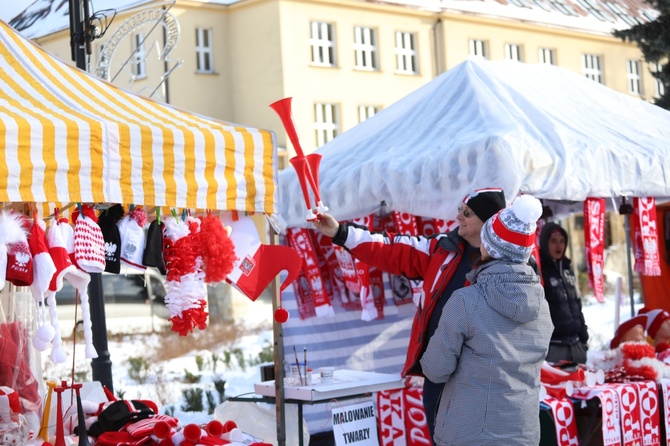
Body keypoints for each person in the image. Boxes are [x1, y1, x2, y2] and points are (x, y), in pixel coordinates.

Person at [313, 187, 506, 442]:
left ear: (487, 221)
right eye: (460, 209)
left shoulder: (508, 267)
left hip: (479, 383)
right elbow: (390, 248)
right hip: (438, 379)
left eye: (467, 213)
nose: (459, 216)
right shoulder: (442, 249)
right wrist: (340, 233)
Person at [420, 194, 553, 446]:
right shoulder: (542, 306)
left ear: (489, 247)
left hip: (468, 435)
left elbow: (436, 370)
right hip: (522, 434)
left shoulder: (466, 301)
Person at [539, 222, 589, 364]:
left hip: (576, 346)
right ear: (544, 243)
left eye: (562, 241)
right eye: (553, 241)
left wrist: (584, 340)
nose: (558, 246)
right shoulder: (538, 270)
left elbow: (577, 305)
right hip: (554, 347)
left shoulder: (568, 269)